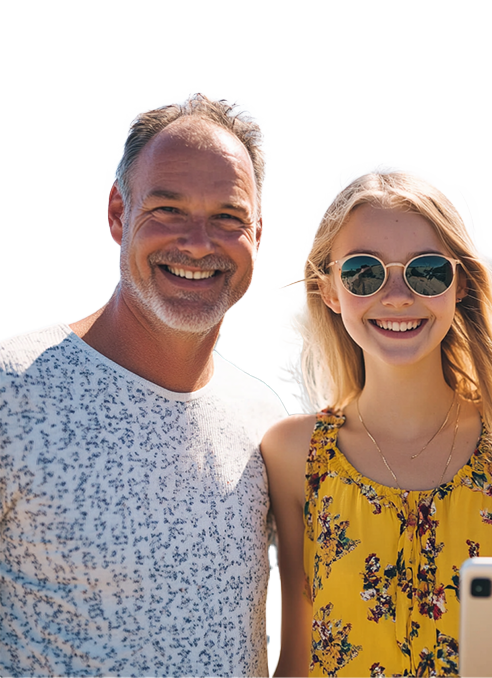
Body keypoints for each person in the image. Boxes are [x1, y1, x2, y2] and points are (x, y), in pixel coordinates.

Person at [0, 93, 287, 676]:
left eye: (228, 218)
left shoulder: (265, 422)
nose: (199, 242)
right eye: (168, 209)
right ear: (117, 214)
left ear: (257, 233)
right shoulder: (14, 393)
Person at [261, 163, 492, 678]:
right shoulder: (291, 454)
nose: (396, 296)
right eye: (363, 272)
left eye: (426, 270)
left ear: (460, 286)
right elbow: (297, 659)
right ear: (329, 291)